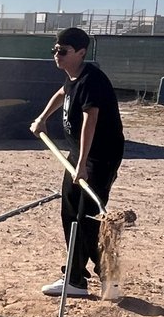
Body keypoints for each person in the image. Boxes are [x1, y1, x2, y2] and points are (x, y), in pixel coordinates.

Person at [30, 26, 125, 297]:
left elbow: (90, 120)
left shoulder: (92, 80)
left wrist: (82, 163)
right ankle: (78, 278)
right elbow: (63, 93)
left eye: (63, 51)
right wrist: (42, 118)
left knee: (86, 218)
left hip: (98, 157)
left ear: (81, 52)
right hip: (80, 155)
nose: (56, 55)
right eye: (55, 50)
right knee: (71, 213)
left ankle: (105, 277)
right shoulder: (74, 75)